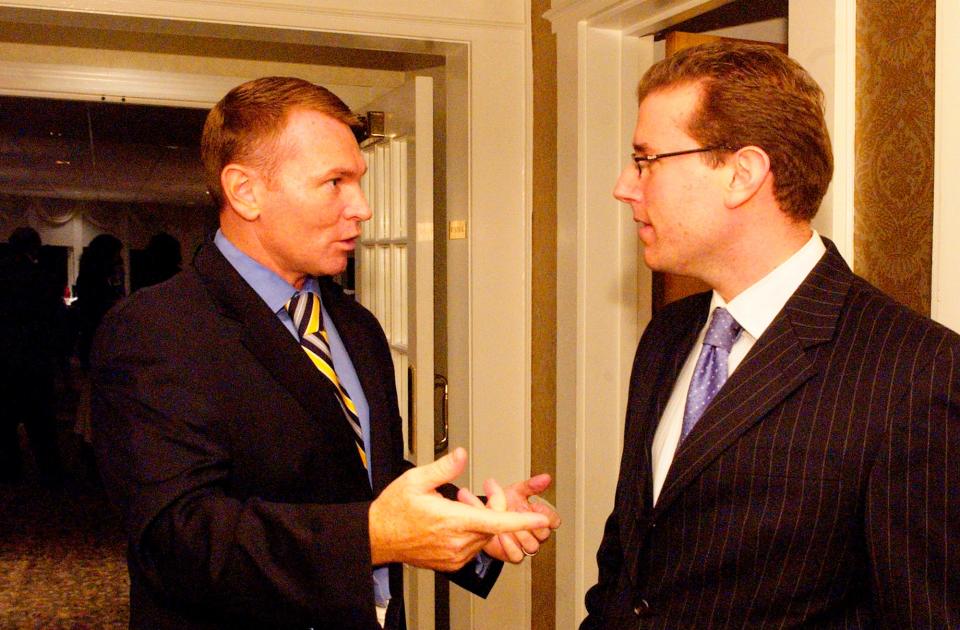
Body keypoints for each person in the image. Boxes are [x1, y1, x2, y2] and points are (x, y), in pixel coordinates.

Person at [91, 76, 559, 629]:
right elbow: (177, 539)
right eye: (334, 182)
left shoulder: (355, 325)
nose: (361, 207)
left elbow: (362, 474)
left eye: (358, 180)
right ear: (245, 190)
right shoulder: (155, 329)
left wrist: (476, 525)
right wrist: (371, 538)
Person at [582, 41, 958, 628]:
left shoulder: (916, 371)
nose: (625, 187)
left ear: (743, 173)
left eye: (646, 159)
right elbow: (632, 560)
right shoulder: (669, 334)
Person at [0, 227, 65, 485]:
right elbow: (54, 318)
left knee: (5, 420)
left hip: (4, 358)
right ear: (34, 247)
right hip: (34, 358)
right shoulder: (41, 277)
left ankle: (9, 469)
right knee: (41, 420)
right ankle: (49, 471)